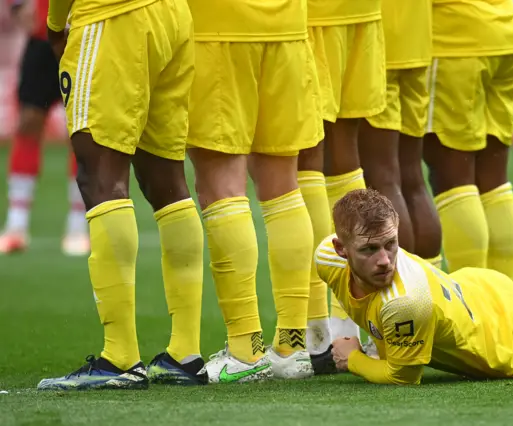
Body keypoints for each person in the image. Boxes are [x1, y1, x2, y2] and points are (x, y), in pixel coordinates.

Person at [37, 0, 205, 390]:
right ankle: (185, 352)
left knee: (100, 177)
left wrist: (55, 23)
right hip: (172, 18)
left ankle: (120, 357)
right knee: (166, 182)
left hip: (111, 17)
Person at [316, 189, 513, 385]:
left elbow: (402, 376)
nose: (385, 261)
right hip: (477, 287)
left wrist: (352, 359)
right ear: (342, 249)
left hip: (493, 341)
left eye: (391, 245)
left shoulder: (405, 303)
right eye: (370, 250)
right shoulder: (327, 257)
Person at [187, 0, 322, 382]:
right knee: (283, 187)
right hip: (287, 31)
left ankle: (245, 350)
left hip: (220, 30)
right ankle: (293, 346)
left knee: (220, 186)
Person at [301, 0, 387, 350]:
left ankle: (313, 330)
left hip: (311, 19)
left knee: (301, 161)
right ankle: (349, 320)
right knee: (345, 155)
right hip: (361, 15)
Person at [423, 0, 513, 283]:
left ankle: (471, 303)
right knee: (494, 182)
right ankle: (507, 306)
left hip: (456, 39)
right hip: (506, 30)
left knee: (453, 179)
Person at [0, 0, 88, 256]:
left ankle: (78, 227)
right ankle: (16, 226)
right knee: (28, 122)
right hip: (43, 35)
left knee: (81, 131)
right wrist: (17, 5)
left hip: (82, 38)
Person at [358, 0, 442, 266]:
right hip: (416, 39)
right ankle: (430, 291)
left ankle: (402, 291)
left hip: (379, 42)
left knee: (382, 178)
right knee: (412, 178)